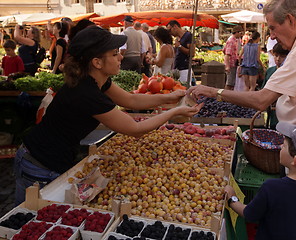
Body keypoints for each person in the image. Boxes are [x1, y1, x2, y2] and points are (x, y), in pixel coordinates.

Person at [187, 1, 296, 239]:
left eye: (273, 28)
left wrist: (215, 92)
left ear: (291, 20)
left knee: (289, 223)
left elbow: (261, 100)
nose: (271, 36)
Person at [14, 26, 202, 205]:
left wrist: (169, 97)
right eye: (114, 54)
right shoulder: (87, 92)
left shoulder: (96, 80)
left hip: (50, 158)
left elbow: (131, 100)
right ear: (97, 62)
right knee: (30, 223)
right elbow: (135, 130)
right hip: (39, 165)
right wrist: (174, 111)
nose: (121, 56)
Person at [225, 122, 296, 240]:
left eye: (284, 146)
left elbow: (249, 214)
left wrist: (232, 199)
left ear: (294, 160)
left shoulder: (272, 188)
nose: (280, 147)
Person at [261, 43, 289, 129]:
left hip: (284, 115)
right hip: (271, 113)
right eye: (276, 56)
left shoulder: (289, 73)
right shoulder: (270, 71)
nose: (278, 59)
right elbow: (263, 90)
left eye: (282, 56)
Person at [166, 20, 195, 86]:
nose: (170, 33)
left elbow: (192, 53)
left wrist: (179, 46)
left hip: (184, 69)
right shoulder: (177, 39)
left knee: (184, 89)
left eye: (169, 30)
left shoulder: (188, 36)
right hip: (177, 69)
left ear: (175, 27)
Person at [223, 25, 243, 90]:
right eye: (240, 33)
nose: (241, 35)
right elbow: (227, 54)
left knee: (232, 83)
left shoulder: (235, 40)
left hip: (234, 63)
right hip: (231, 64)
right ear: (237, 32)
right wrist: (227, 66)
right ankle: (225, 97)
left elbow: (224, 50)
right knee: (230, 83)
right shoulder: (231, 41)